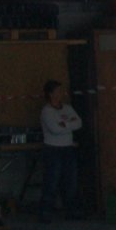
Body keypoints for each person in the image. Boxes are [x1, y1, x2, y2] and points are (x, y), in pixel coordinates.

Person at [39, 80, 82, 222]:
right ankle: (46, 212)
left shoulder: (68, 108)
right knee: (52, 181)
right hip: (52, 149)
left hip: (68, 148)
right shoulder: (46, 111)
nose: (61, 94)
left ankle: (71, 211)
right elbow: (55, 129)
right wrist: (69, 124)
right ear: (50, 94)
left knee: (71, 182)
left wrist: (64, 124)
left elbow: (79, 123)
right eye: (58, 91)